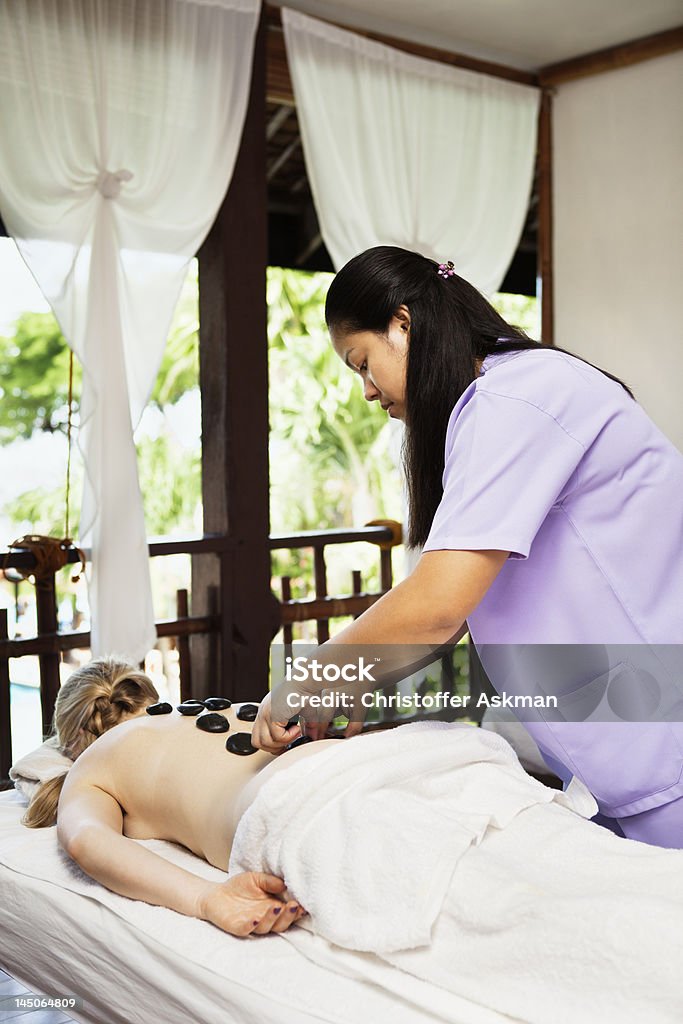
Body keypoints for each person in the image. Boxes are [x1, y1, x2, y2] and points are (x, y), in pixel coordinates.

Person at [252, 245, 683, 850]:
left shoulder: (514, 399)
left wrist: (315, 675)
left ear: (402, 324)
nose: (368, 392)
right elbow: (459, 607)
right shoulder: (493, 405)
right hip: (620, 753)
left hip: (662, 742)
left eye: (363, 363)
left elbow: (437, 607)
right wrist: (355, 682)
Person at [24, 657, 315, 937]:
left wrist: (206, 898)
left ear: (72, 740)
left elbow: (85, 839)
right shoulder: (223, 709)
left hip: (286, 809)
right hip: (342, 759)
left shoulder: (93, 762)